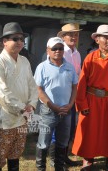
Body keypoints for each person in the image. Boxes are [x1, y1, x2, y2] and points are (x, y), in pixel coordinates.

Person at [72, 24, 108, 170]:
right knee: (90, 131)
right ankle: (88, 158)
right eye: (105, 38)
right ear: (97, 40)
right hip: (91, 99)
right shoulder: (90, 58)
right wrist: (82, 104)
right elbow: (82, 83)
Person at [0, 22, 38, 170]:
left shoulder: (25, 61)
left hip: (22, 118)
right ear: (4, 42)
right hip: (3, 120)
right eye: (15, 39)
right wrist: (22, 108)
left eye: (22, 39)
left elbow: (33, 86)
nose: (20, 42)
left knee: (15, 156)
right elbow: (1, 92)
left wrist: (31, 105)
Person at [34, 37, 78, 170]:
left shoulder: (69, 67)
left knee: (62, 143)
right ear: (48, 50)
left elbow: (75, 86)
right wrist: (53, 106)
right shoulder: (42, 67)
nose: (58, 51)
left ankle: (59, 167)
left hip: (66, 111)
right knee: (43, 144)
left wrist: (70, 105)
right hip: (48, 111)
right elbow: (39, 90)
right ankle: (41, 168)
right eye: (54, 48)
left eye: (60, 48)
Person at [47, 23, 81, 167]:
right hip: (59, 96)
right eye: (70, 34)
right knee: (57, 130)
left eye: (75, 34)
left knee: (69, 128)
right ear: (63, 36)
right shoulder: (59, 51)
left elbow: (77, 77)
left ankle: (64, 157)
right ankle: (55, 159)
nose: (73, 37)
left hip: (71, 97)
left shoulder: (77, 53)